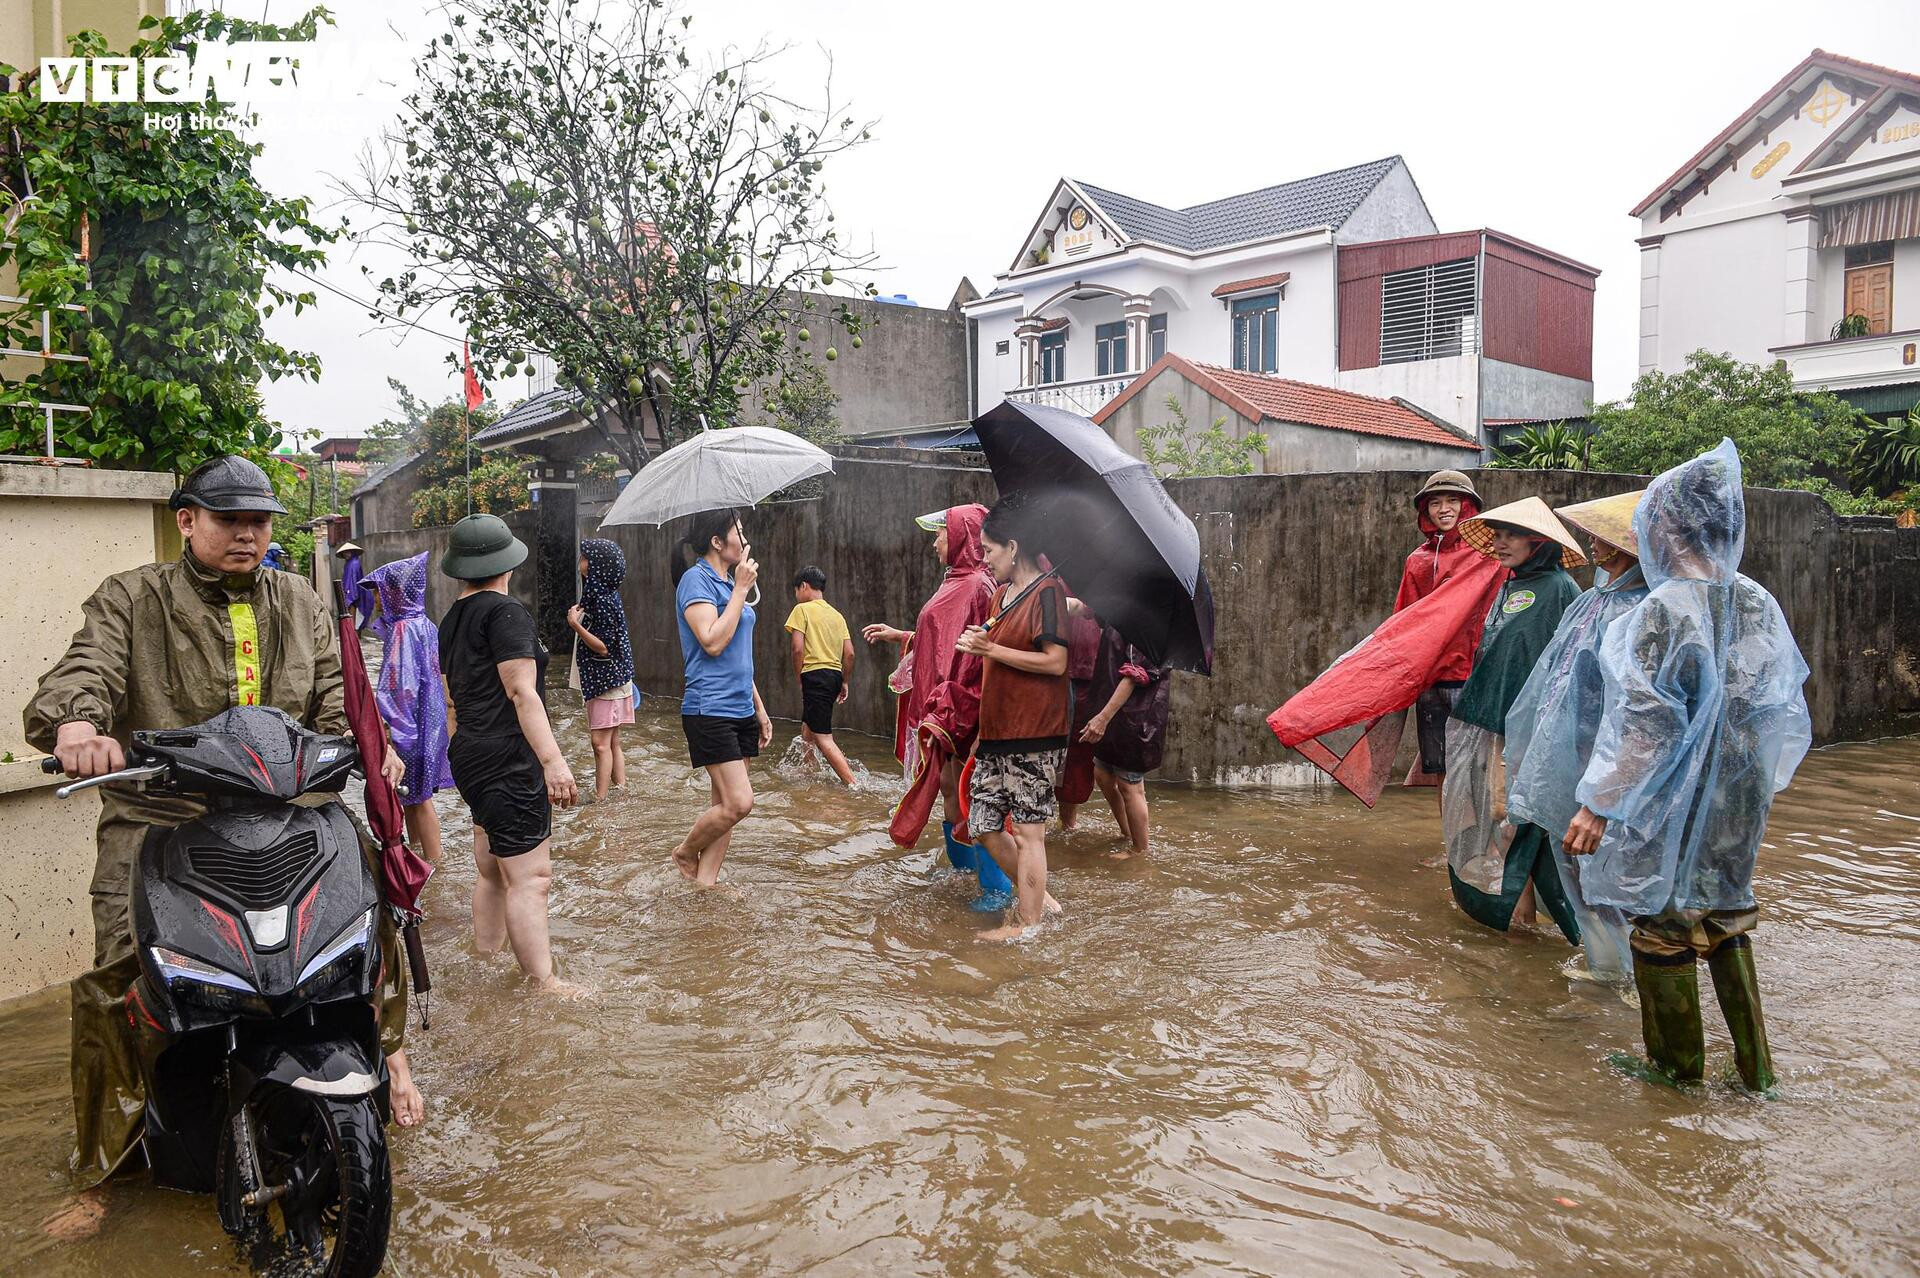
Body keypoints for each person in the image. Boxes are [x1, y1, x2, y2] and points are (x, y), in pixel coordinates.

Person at [24, 456, 421, 1239]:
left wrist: (371, 746)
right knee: (117, 972)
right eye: (229, 519)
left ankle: (390, 1060)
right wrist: (77, 724)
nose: (247, 533)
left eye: (259, 521)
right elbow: (84, 671)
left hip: (289, 809)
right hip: (163, 816)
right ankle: (103, 1171)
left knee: (371, 914)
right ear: (186, 521)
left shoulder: (298, 597)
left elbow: (338, 698)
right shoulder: (131, 597)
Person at [1564, 441, 1811, 1091]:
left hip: (1673, 796)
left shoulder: (1664, 607)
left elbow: (1648, 726)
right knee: (1726, 913)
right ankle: (1758, 1074)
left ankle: (1676, 1076)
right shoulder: (1755, 599)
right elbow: (1778, 705)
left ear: (1669, 527)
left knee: (1660, 928)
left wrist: (1598, 805)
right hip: (1740, 792)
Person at [1503, 491, 1648, 986]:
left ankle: (1632, 979)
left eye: (1604, 538)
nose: (1594, 546)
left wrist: (1607, 790)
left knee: (1618, 873)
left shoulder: (1646, 611)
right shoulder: (1590, 602)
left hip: (1613, 766)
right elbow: (1552, 685)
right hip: (1569, 756)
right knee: (1577, 867)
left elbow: (1641, 715)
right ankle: (1604, 969)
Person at [437, 513, 581, 992]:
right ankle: (544, 984)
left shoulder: (450, 620)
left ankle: (485, 958)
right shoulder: (506, 613)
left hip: (470, 751)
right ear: (508, 563)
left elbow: (451, 702)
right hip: (508, 756)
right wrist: (554, 762)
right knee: (531, 877)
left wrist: (462, 753)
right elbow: (522, 693)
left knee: (492, 870)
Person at [1443, 496, 1585, 942]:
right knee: (1500, 815)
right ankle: (1520, 917)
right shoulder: (1509, 586)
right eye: (1497, 535)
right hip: (1494, 720)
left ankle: (1529, 919)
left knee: (1517, 817)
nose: (1500, 544)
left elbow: (1571, 663)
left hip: (1533, 728)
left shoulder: (1561, 589)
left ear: (1537, 541)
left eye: (1511, 535)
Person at [863, 505, 1014, 911]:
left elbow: (980, 651)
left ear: (962, 536)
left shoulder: (979, 586)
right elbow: (942, 639)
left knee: (974, 796)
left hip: (964, 707)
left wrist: (975, 713)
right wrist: (902, 636)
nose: (935, 543)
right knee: (949, 788)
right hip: (942, 709)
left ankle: (997, 889)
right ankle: (963, 871)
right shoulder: (954, 581)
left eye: (941, 534)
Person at [957, 496, 1071, 938]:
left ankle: (1026, 925)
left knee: (1028, 831)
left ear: (1014, 547)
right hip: (996, 732)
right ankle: (1041, 901)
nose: (985, 560)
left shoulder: (1048, 592)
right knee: (983, 826)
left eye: (989, 550)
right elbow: (993, 661)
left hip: (1035, 731)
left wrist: (992, 648)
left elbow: (1055, 662)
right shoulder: (1000, 597)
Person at [670, 508, 772, 886]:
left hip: (740, 706)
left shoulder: (728, 583)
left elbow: (738, 654)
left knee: (724, 807)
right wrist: (741, 590)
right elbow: (712, 642)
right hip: (709, 707)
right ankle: (685, 852)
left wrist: (759, 708)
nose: (745, 539)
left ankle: (705, 885)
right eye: (738, 531)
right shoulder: (695, 581)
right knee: (739, 803)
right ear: (717, 541)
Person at [1395, 471, 1487, 803]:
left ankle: (1481, 837)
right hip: (1431, 680)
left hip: (1471, 678)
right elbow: (1404, 618)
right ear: (1426, 510)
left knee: (1478, 768)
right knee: (1440, 768)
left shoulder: (1488, 555)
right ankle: (1447, 834)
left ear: (1467, 507)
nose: (1444, 509)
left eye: (1452, 501)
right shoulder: (1417, 561)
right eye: (1435, 502)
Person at [365, 552, 454, 866]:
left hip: (410, 728)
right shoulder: (423, 623)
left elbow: (399, 687)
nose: (375, 598)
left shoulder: (403, 629)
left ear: (395, 592)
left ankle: (434, 866)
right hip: (428, 724)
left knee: (419, 799)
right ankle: (421, 860)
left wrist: (387, 729)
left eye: (379, 591)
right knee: (414, 797)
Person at [1085, 623, 1172, 860]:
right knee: (1103, 775)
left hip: (1136, 716)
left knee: (1130, 785)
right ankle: (1127, 832)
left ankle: (1139, 849)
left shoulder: (1147, 627)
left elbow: (1133, 676)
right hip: (1114, 711)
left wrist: (1102, 718)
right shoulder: (1126, 616)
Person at [568, 538, 637, 803]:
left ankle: (600, 800)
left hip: (606, 680)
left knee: (599, 743)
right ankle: (620, 791)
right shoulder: (601, 594)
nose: (580, 561)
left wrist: (575, 624)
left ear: (597, 566)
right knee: (612, 741)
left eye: (585, 557)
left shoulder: (602, 600)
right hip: (613, 678)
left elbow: (604, 647)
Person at [784, 566, 857, 786]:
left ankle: (853, 785)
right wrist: (845, 681)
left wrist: (800, 676)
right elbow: (850, 654)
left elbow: (797, 649)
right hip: (834, 676)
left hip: (814, 675)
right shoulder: (837, 616)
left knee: (823, 737)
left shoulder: (802, 610)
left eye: (796, 590)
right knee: (809, 727)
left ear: (804, 586)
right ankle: (810, 770)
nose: (796, 596)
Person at [1053, 602, 1105, 831]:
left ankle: (1067, 825)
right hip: (1053, 668)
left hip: (1085, 671)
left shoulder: (1100, 589)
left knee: (1076, 756)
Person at [338, 540, 376, 632]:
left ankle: (354, 636)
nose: (346, 554)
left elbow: (353, 580)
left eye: (348, 552)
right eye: (344, 552)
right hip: (351, 593)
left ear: (352, 552)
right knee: (352, 620)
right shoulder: (348, 564)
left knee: (354, 619)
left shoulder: (354, 563)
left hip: (355, 594)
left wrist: (350, 596)